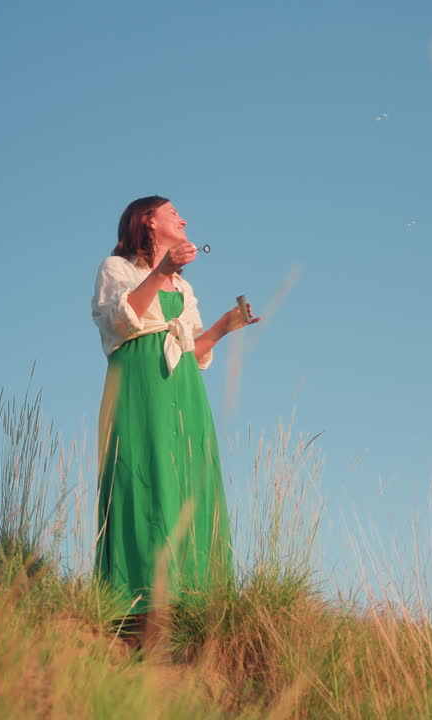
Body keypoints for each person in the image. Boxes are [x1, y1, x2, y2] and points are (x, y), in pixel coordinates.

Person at [90, 195, 259, 654]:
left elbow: (191, 349)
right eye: (173, 213)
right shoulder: (117, 269)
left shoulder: (183, 288)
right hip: (139, 381)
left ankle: (195, 603)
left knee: (188, 481)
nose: (183, 220)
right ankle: (136, 608)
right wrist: (162, 269)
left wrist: (223, 327)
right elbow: (122, 324)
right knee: (144, 479)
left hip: (182, 386)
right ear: (148, 221)